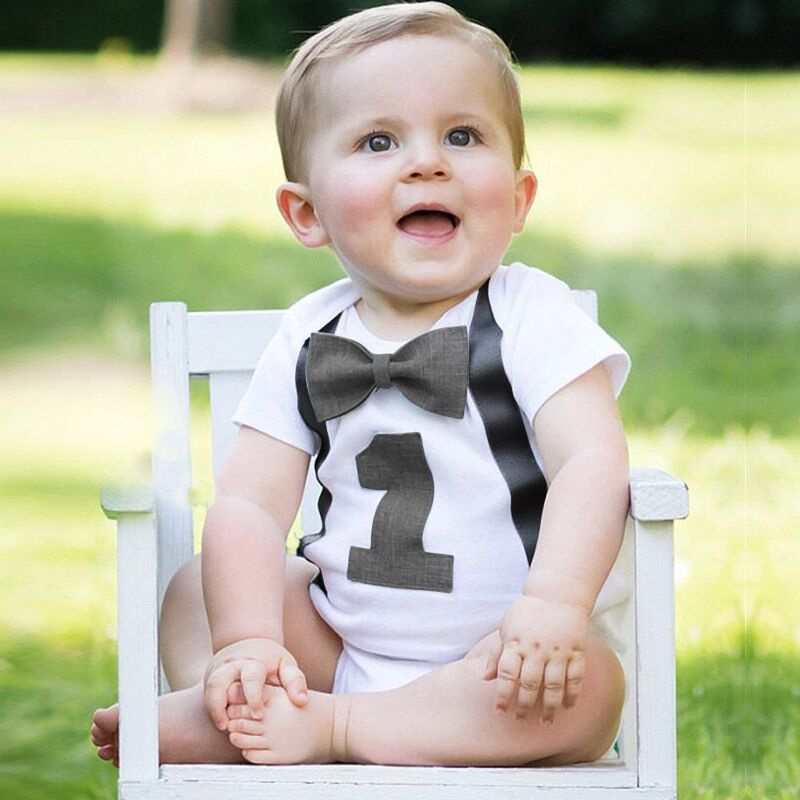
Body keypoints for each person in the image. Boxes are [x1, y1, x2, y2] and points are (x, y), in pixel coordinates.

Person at [92, 1, 632, 767]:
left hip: (499, 666)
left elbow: (592, 462)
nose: (427, 162)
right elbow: (248, 502)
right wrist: (247, 640)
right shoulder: (308, 338)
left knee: (591, 691)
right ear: (306, 213)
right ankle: (252, 696)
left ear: (516, 200)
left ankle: (321, 733)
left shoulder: (530, 316)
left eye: (462, 135)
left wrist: (554, 604)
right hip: (338, 644)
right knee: (195, 588)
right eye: (379, 141)